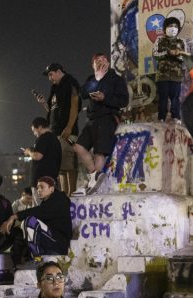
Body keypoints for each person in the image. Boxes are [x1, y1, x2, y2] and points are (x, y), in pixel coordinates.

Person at [73, 53, 130, 195]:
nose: (101, 62)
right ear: (93, 65)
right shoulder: (92, 79)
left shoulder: (116, 79)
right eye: (97, 61)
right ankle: (95, 175)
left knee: (100, 153)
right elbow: (83, 93)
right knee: (79, 147)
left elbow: (123, 101)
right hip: (91, 120)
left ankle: (96, 186)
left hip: (107, 119)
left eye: (103, 59)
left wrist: (105, 98)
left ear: (108, 63)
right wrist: (97, 77)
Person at [3, 177, 73, 258]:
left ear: (52, 189)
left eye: (42, 187)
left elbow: (40, 211)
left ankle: (35, 257)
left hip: (60, 244)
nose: (38, 190)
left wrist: (15, 216)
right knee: (23, 226)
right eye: (37, 188)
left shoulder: (59, 199)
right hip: (49, 240)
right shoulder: (46, 202)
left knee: (30, 221)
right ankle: (25, 257)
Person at [37, 62, 81, 193]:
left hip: (66, 132)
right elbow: (52, 111)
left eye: (51, 74)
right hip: (55, 133)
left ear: (58, 71)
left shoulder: (70, 82)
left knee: (69, 165)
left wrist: (69, 127)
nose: (50, 78)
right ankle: (65, 195)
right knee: (61, 167)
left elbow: (75, 105)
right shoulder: (55, 89)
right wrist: (44, 103)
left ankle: (71, 195)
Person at [152, 16, 187, 122]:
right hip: (162, 76)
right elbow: (155, 54)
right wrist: (167, 53)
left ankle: (176, 117)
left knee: (175, 98)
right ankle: (161, 118)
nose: (173, 28)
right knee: (162, 98)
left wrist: (177, 55)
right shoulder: (159, 40)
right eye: (170, 26)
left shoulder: (181, 41)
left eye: (175, 26)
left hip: (176, 76)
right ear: (165, 28)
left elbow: (186, 58)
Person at [25, 117, 63, 187]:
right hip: (51, 179)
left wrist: (29, 152)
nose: (34, 133)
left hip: (41, 181)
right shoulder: (54, 139)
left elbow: (37, 156)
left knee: (40, 198)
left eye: (34, 130)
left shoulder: (43, 138)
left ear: (40, 127)